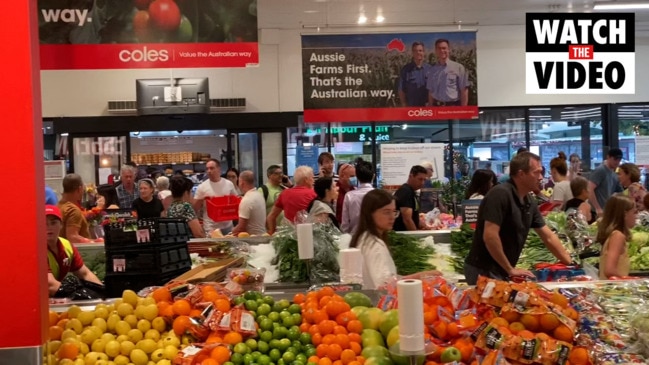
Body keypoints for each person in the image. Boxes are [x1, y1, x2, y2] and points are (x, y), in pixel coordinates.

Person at [464, 152, 572, 285]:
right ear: (521, 174)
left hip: (500, 270)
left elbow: (548, 236)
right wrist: (510, 269)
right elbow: (490, 236)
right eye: (536, 173)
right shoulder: (499, 194)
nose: (541, 177)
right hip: (483, 270)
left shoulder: (529, 201)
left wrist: (570, 262)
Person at [349, 190, 441, 290]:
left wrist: (420, 276)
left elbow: (387, 280)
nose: (392, 217)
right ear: (370, 213)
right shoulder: (375, 245)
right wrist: (420, 276)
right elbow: (385, 286)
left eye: (394, 212)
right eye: (386, 212)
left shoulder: (365, 237)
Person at [46, 205, 102, 296]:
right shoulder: (36, 251)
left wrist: (101, 291)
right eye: (44, 223)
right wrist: (77, 295)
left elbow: (85, 274)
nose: (49, 227)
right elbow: (50, 285)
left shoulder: (66, 245)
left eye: (53, 223)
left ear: (61, 225)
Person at [193, 159, 239, 235]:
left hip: (228, 226)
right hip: (210, 228)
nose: (209, 171)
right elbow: (195, 208)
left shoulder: (228, 184)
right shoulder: (202, 187)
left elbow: (236, 201)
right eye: (207, 169)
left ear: (219, 169)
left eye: (211, 168)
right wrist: (201, 199)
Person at [267, 166, 317, 234]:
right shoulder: (314, 194)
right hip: (308, 234)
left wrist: (272, 233)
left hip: (289, 235)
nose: (314, 180)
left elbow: (271, 217)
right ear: (306, 179)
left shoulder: (285, 193)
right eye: (312, 178)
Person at [598, 195, 637, 279]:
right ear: (625, 215)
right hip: (614, 289)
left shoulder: (613, 234)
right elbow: (609, 270)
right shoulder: (617, 236)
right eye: (634, 212)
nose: (636, 216)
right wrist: (633, 280)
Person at [427, 39, 470, 106]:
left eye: (444, 48)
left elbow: (464, 91)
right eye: (439, 48)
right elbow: (430, 91)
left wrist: (463, 111)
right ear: (436, 51)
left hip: (453, 107)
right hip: (436, 107)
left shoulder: (458, 67)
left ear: (448, 49)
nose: (442, 51)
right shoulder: (432, 70)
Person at [342, 160, 375, 234]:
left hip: (354, 238)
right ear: (374, 176)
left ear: (357, 177)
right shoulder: (379, 195)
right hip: (374, 238)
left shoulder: (349, 196)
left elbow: (345, 224)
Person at [58, 174, 92, 243]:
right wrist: (93, 242)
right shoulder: (73, 210)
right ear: (79, 189)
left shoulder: (58, 206)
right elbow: (72, 237)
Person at [589, 148, 623, 216]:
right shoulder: (601, 170)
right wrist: (597, 208)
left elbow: (619, 192)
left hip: (606, 210)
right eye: (615, 159)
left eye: (619, 160)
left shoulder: (614, 173)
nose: (617, 162)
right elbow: (589, 189)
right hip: (596, 211)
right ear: (608, 157)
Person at [393, 165, 428, 231]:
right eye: (420, 179)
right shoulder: (406, 191)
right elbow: (407, 219)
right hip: (403, 236)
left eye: (424, 180)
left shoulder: (411, 191)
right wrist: (416, 236)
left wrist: (422, 225)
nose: (422, 183)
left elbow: (412, 216)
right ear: (411, 176)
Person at [398, 41, 433, 107]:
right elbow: (401, 90)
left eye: (420, 50)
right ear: (412, 53)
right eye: (415, 51)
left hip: (427, 107)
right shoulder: (406, 69)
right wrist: (404, 104)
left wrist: (431, 104)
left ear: (424, 52)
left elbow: (433, 89)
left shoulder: (430, 69)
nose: (418, 53)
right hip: (412, 107)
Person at [232, 171, 267, 236]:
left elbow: (241, 227)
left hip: (251, 239)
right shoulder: (259, 195)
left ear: (242, 183)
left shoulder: (246, 200)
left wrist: (231, 232)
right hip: (262, 235)